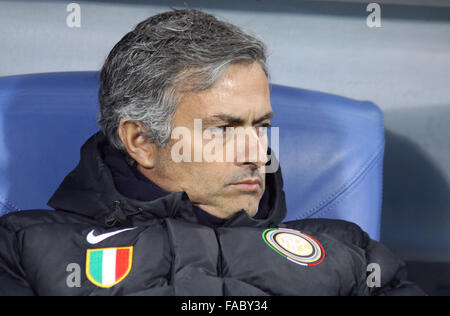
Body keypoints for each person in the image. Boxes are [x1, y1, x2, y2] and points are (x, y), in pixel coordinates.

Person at [0, 9, 424, 296]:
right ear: (141, 141)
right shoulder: (24, 248)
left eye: (261, 126)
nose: (259, 152)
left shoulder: (351, 254)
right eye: (224, 128)